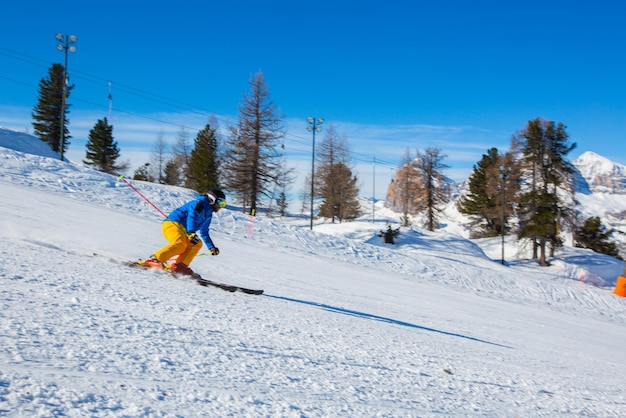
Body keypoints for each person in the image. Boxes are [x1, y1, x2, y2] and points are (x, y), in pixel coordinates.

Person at [144, 189, 226, 275]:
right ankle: (155, 259)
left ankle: (179, 266)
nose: (221, 206)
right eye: (221, 203)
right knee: (180, 244)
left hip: (185, 230)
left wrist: (211, 247)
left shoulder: (208, 215)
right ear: (212, 199)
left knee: (197, 243)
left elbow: (204, 232)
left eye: (223, 204)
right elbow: (192, 218)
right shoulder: (198, 204)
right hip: (173, 224)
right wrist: (191, 232)